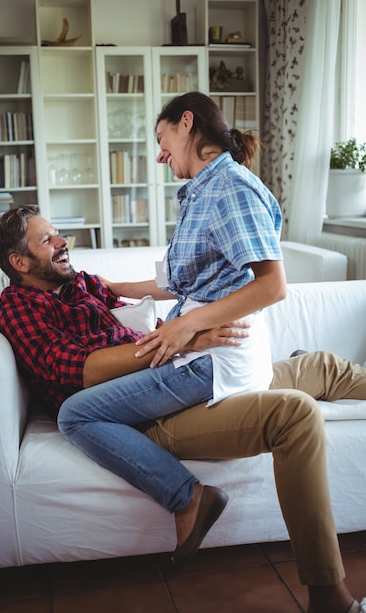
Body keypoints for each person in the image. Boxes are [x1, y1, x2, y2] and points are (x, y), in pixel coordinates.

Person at [0, 205, 365, 613]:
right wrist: (179, 343)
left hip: (177, 375)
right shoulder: (19, 307)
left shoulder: (78, 286)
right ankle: (323, 592)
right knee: (293, 411)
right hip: (143, 412)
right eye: (48, 240)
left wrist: (175, 321)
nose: (63, 242)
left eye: (58, 232)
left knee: (321, 365)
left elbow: (132, 295)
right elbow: (75, 370)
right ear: (19, 262)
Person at [58, 92, 289, 565]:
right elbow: (180, 279)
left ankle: (188, 498)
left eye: (162, 139)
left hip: (213, 358)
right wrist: (110, 285)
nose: (159, 154)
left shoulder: (231, 189)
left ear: (187, 124)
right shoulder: (204, 191)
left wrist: (187, 325)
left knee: (75, 415)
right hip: (200, 350)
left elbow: (272, 286)